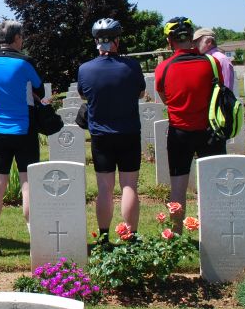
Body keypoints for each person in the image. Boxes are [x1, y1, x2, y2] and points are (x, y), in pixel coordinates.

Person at [77, 18, 145, 243]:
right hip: (129, 133)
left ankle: (104, 236)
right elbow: (140, 94)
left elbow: (84, 95)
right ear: (117, 40)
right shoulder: (132, 67)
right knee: (129, 186)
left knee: (104, 188)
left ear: (97, 41)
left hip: (101, 136)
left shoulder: (85, 69)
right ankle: (131, 235)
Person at [0, 20, 43, 256]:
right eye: (22, 36)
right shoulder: (24, 62)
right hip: (23, 130)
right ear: (16, 39)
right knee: (27, 185)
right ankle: (34, 237)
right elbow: (39, 89)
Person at [155, 17, 226, 232]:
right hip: (210, 130)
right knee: (214, 183)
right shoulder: (211, 63)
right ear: (191, 38)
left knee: (178, 186)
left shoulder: (163, 68)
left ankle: (176, 233)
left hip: (180, 132)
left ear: (170, 41)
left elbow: (164, 96)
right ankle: (216, 230)